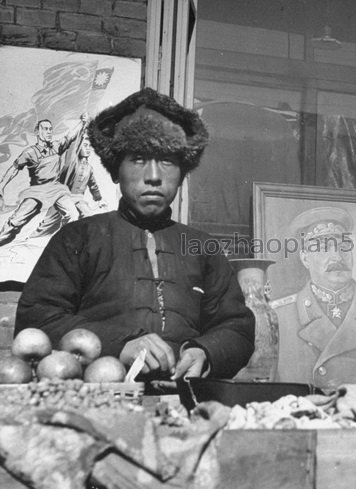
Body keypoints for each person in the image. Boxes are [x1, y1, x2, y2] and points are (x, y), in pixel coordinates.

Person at [15, 88, 255, 380]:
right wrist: (119, 344)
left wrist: (205, 351)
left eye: (167, 160)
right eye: (139, 159)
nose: (153, 176)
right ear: (116, 171)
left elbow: (236, 327)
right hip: (98, 400)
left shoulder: (202, 247)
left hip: (187, 401)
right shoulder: (78, 238)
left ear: (182, 172)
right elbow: (37, 319)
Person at [271, 207, 356, 389]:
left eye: (344, 247)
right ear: (305, 258)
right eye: (324, 248)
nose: (337, 257)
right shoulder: (278, 316)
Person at [0, 115, 87, 246]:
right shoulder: (29, 152)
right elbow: (14, 169)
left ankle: (63, 246)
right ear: (37, 132)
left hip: (56, 189)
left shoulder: (56, 147)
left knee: (72, 215)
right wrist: (1, 185)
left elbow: (69, 136)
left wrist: (82, 122)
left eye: (50, 129)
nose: (49, 132)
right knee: (15, 221)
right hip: (37, 191)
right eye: (45, 129)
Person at [29, 131, 107, 238]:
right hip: (64, 197)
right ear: (79, 147)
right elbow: (73, 148)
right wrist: (82, 128)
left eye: (89, 146)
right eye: (85, 145)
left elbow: (93, 185)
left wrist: (99, 199)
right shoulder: (72, 163)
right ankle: (31, 238)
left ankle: (70, 241)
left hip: (78, 199)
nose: (88, 148)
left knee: (88, 216)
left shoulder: (89, 168)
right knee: (46, 227)